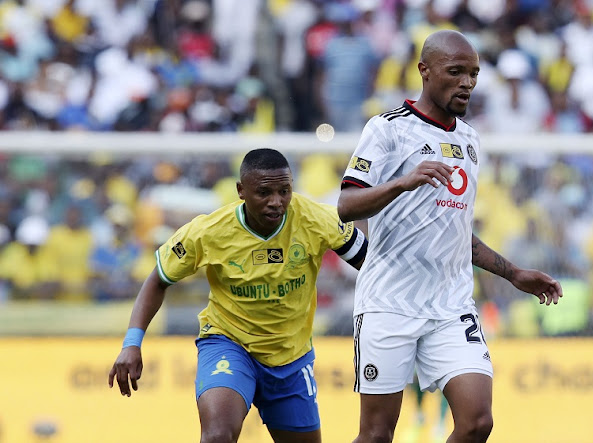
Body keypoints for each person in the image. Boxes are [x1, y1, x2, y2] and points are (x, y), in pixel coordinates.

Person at [337, 30, 563, 443]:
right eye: (456, 71)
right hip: (390, 302)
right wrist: (403, 184)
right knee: (375, 435)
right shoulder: (387, 129)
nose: (467, 83)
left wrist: (513, 274)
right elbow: (347, 206)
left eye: (474, 74)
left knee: (478, 423)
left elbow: (457, 230)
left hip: (450, 304)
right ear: (424, 71)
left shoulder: (470, 141)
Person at [109, 148, 368, 443]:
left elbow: (371, 265)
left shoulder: (317, 219)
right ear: (241, 191)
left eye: (285, 191)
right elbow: (158, 279)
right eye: (264, 193)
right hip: (229, 343)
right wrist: (132, 343)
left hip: (290, 358)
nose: (276, 202)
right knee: (218, 435)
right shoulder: (209, 232)